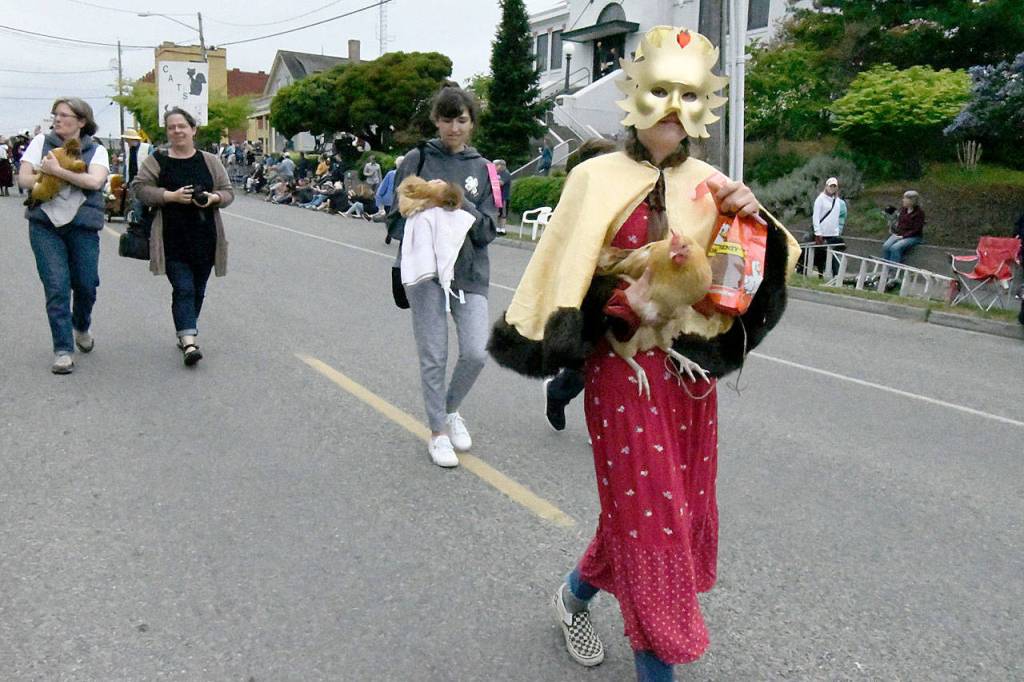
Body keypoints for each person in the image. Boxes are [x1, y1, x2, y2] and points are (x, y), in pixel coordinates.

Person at [488, 28, 798, 680]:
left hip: (688, 377)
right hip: (621, 371)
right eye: (659, 90)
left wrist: (752, 222)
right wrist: (610, 305)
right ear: (634, 95)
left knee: (667, 511)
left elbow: (762, 269)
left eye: (688, 94)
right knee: (652, 522)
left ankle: (573, 597)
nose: (671, 108)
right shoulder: (593, 177)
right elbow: (561, 271)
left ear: (704, 104)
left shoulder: (712, 182)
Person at [387, 82, 498, 468]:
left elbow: (488, 230)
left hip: (469, 271)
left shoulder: (485, 170)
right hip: (425, 273)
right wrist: (421, 207)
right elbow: (393, 218)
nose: (454, 128)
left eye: (461, 120)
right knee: (434, 354)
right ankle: (437, 432)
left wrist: (456, 198)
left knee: (476, 352)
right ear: (436, 120)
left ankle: (450, 410)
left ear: (472, 123)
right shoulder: (416, 159)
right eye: (447, 119)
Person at [133, 107, 234, 367]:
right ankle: (189, 341)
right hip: (171, 238)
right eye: (171, 127)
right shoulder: (157, 160)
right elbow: (140, 188)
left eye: (182, 126)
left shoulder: (210, 160)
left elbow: (227, 192)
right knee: (184, 288)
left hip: (205, 237)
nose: (177, 131)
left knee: (198, 290)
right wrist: (170, 196)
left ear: (193, 129)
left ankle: (186, 329)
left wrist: (213, 198)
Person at [18, 97, 110, 374]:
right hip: (45, 225)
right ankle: (62, 349)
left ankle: (81, 326)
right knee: (56, 286)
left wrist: (58, 172)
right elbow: (23, 178)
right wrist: (45, 179)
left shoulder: (96, 150)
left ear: (81, 121)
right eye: (55, 115)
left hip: (82, 226)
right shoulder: (40, 144)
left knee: (85, 284)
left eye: (64, 115)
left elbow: (95, 181)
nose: (57, 120)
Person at [542, 137, 619, 431]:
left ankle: (606, 424)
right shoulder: (575, 198)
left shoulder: (626, 194)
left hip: (616, 285)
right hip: (583, 288)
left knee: (613, 357)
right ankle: (558, 392)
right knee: (587, 359)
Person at [810, 177, 846, 275]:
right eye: (831, 186)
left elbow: (836, 217)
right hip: (822, 233)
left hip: (833, 233)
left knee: (832, 254)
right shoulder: (820, 199)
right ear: (826, 186)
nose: (832, 188)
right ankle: (831, 274)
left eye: (834, 186)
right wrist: (818, 233)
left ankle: (836, 275)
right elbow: (816, 217)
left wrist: (837, 231)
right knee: (822, 255)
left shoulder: (837, 201)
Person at [881, 190, 925, 264]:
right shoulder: (903, 210)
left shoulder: (919, 213)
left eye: (905, 198)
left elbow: (916, 229)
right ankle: (886, 269)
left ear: (911, 200)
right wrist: (895, 231)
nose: (903, 200)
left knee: (895, 248)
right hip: (900, 234)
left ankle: (894, 271)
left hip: (913, 237)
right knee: (886, 246)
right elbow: (900, 224)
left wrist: (903, 236)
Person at [493, 159, 512, 235]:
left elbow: (501, 183)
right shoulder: (498, 173)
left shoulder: (506, 173)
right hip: (498, 196)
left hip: (504, 197)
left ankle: (503, 229)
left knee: (503, 214)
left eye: (500, 165)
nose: (498, 166)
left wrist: (494, 180)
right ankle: (498, 228)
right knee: (498, 213)